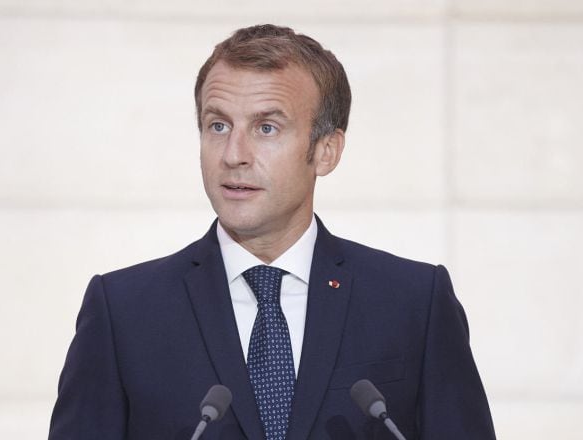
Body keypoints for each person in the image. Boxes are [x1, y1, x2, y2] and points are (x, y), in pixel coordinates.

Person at [49, 24, 496, 439]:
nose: (234, 154)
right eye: (217, 125)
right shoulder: (123, 312)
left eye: (266, 127)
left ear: (325, 151)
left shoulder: (414, 302)